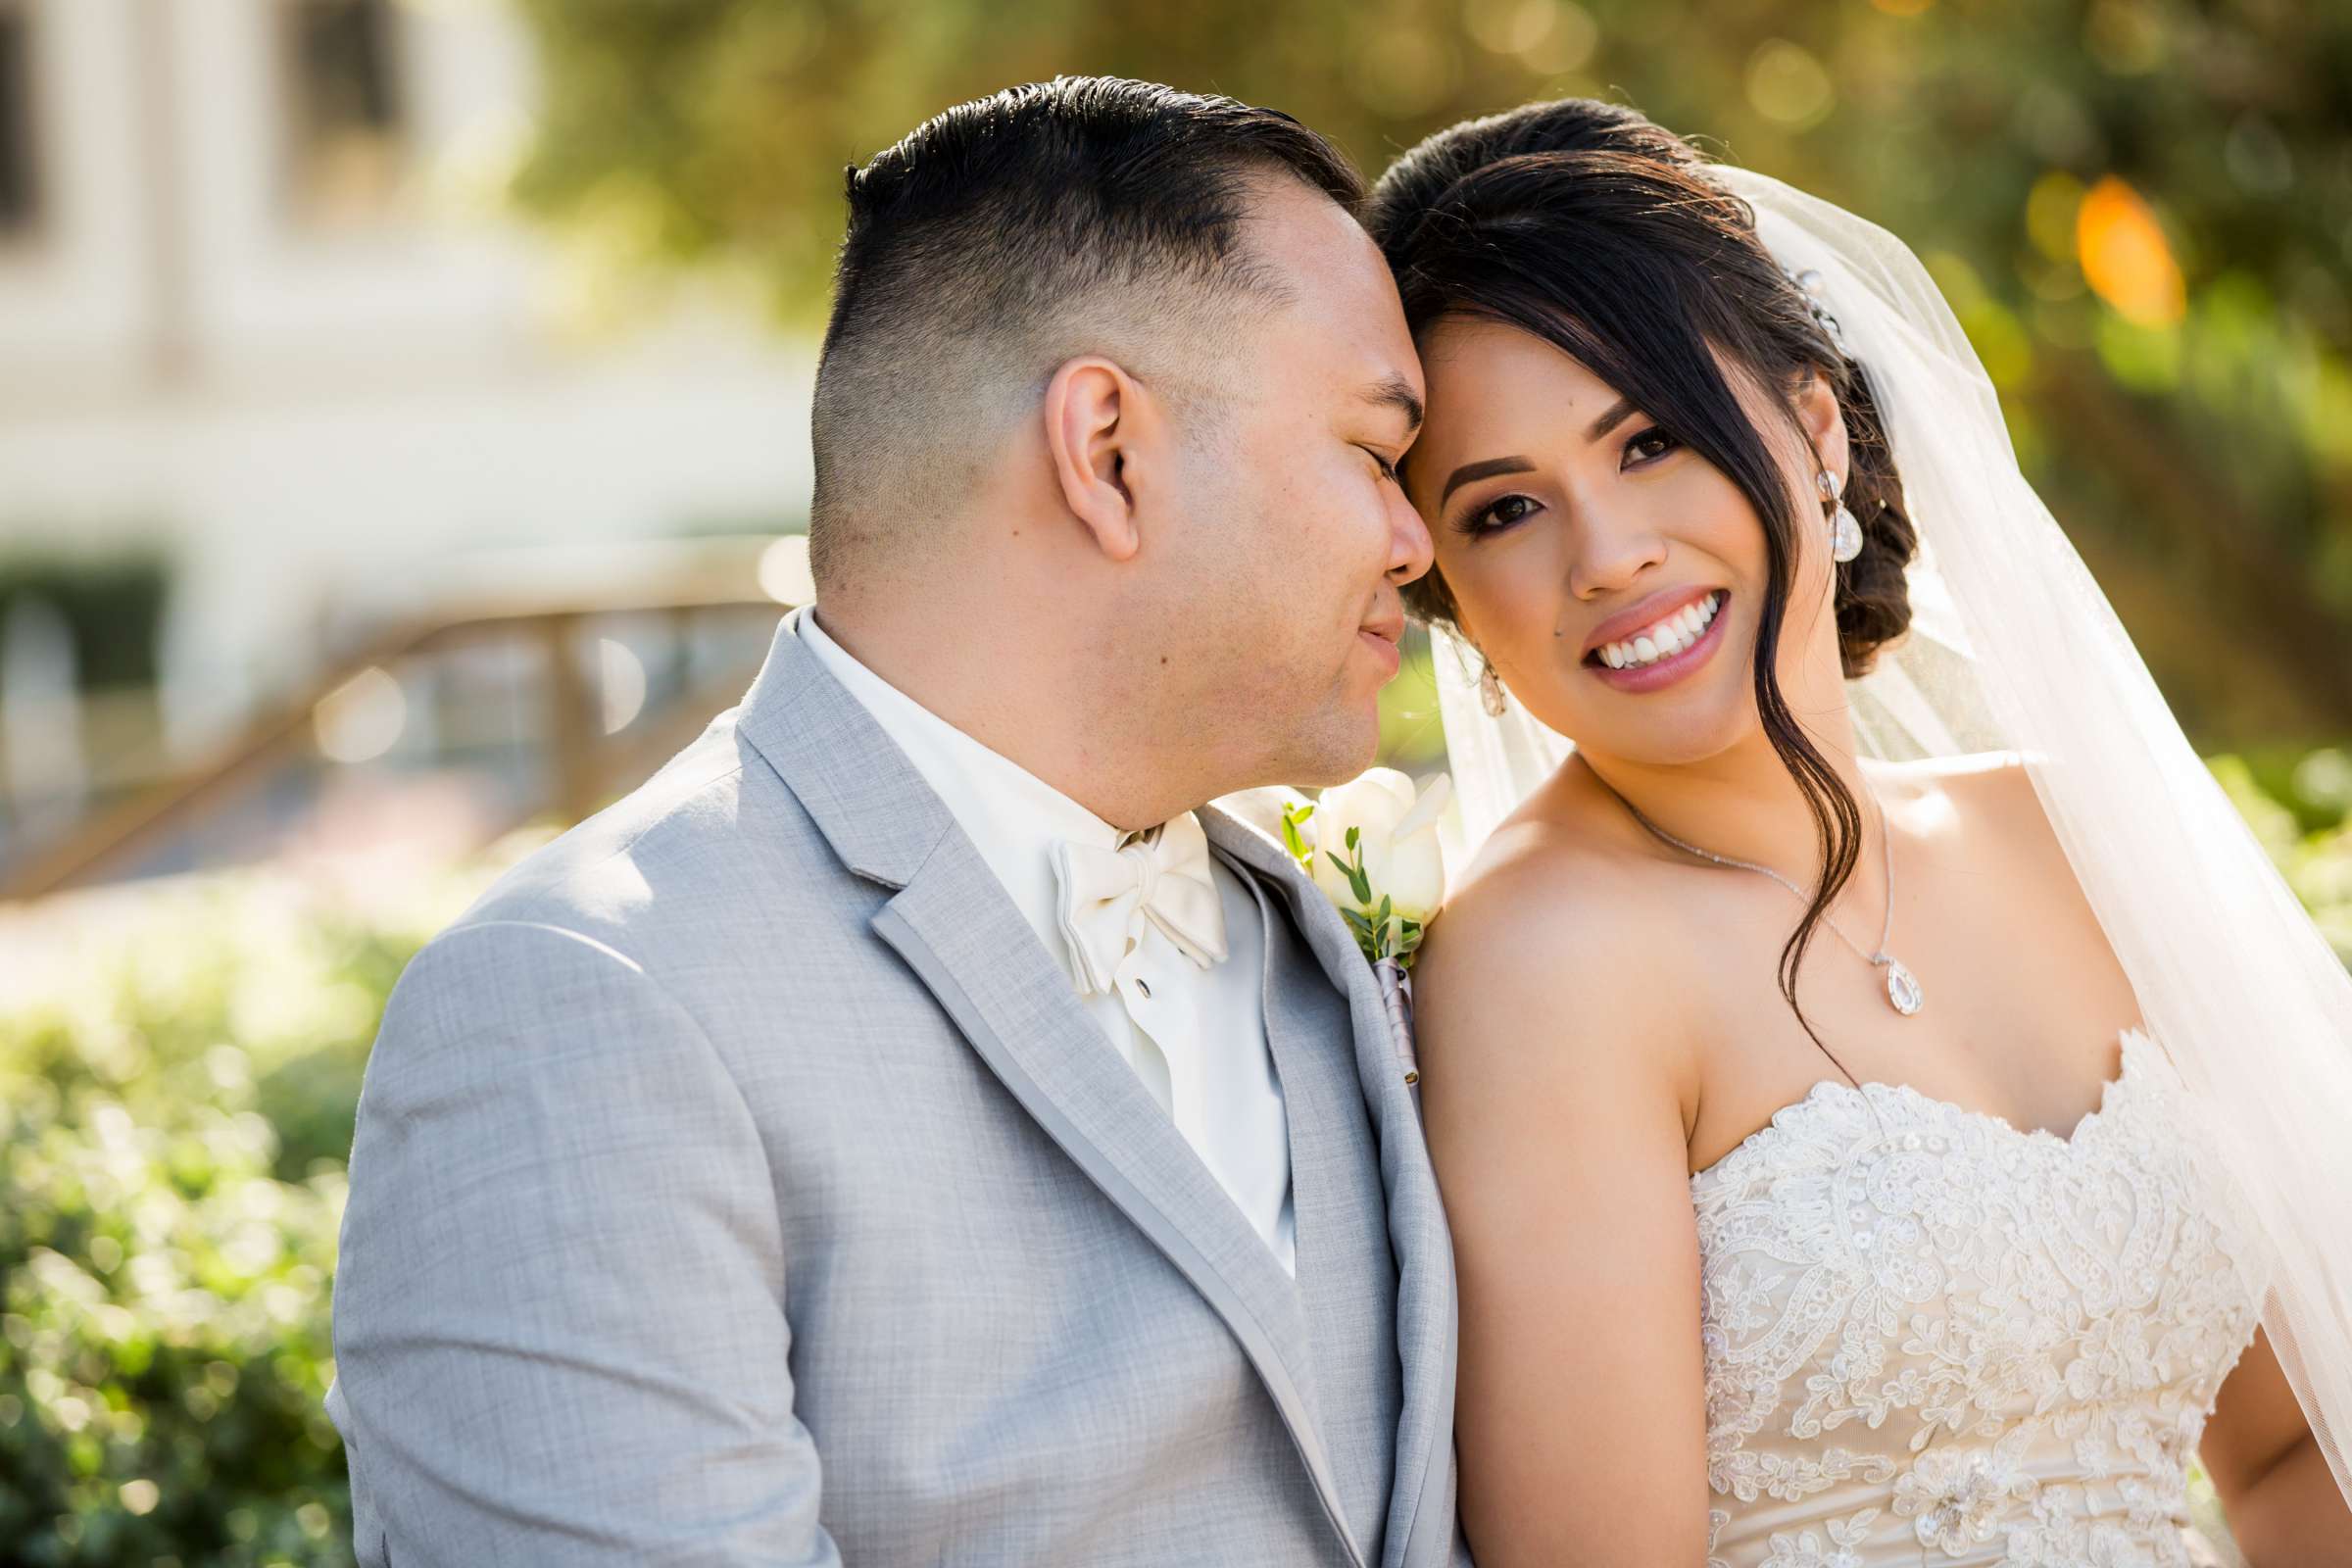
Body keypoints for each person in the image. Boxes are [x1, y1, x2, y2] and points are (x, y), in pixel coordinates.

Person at [325, 76, 1469, 1568]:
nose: (1417, 539)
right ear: (1107, 452)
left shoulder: (1319, 943)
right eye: (1377, 453)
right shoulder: (585, 1006)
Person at [1364, 99, 2352, 1565]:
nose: (1609, 555)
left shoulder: (2065, 837)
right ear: (1448, 584)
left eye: (1647, 440)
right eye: (1505, 511)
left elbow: (2284, 1448)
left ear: (1816, 426)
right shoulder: (1541, 964)